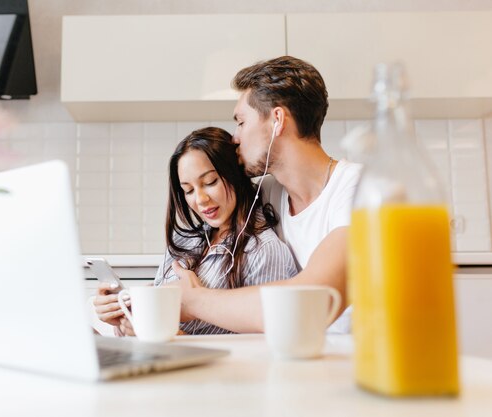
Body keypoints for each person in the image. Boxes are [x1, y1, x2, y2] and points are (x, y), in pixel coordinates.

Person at [173, 56, 363, 334]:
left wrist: (193, 301)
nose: (234, 138)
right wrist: (128, 302)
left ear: (277, 120)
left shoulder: (359, 189)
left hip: (367, 367)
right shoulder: (268, 195)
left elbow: (314, 302)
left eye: (241, 122)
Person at [94, 127, 298, 335]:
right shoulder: (183, 242)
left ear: (235, 174)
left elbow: (266, 344)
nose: (200, 200)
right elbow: (143, 329)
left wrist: (172, 336)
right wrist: (122, 316)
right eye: (189, 190)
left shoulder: (264, 251)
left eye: (210, 182)